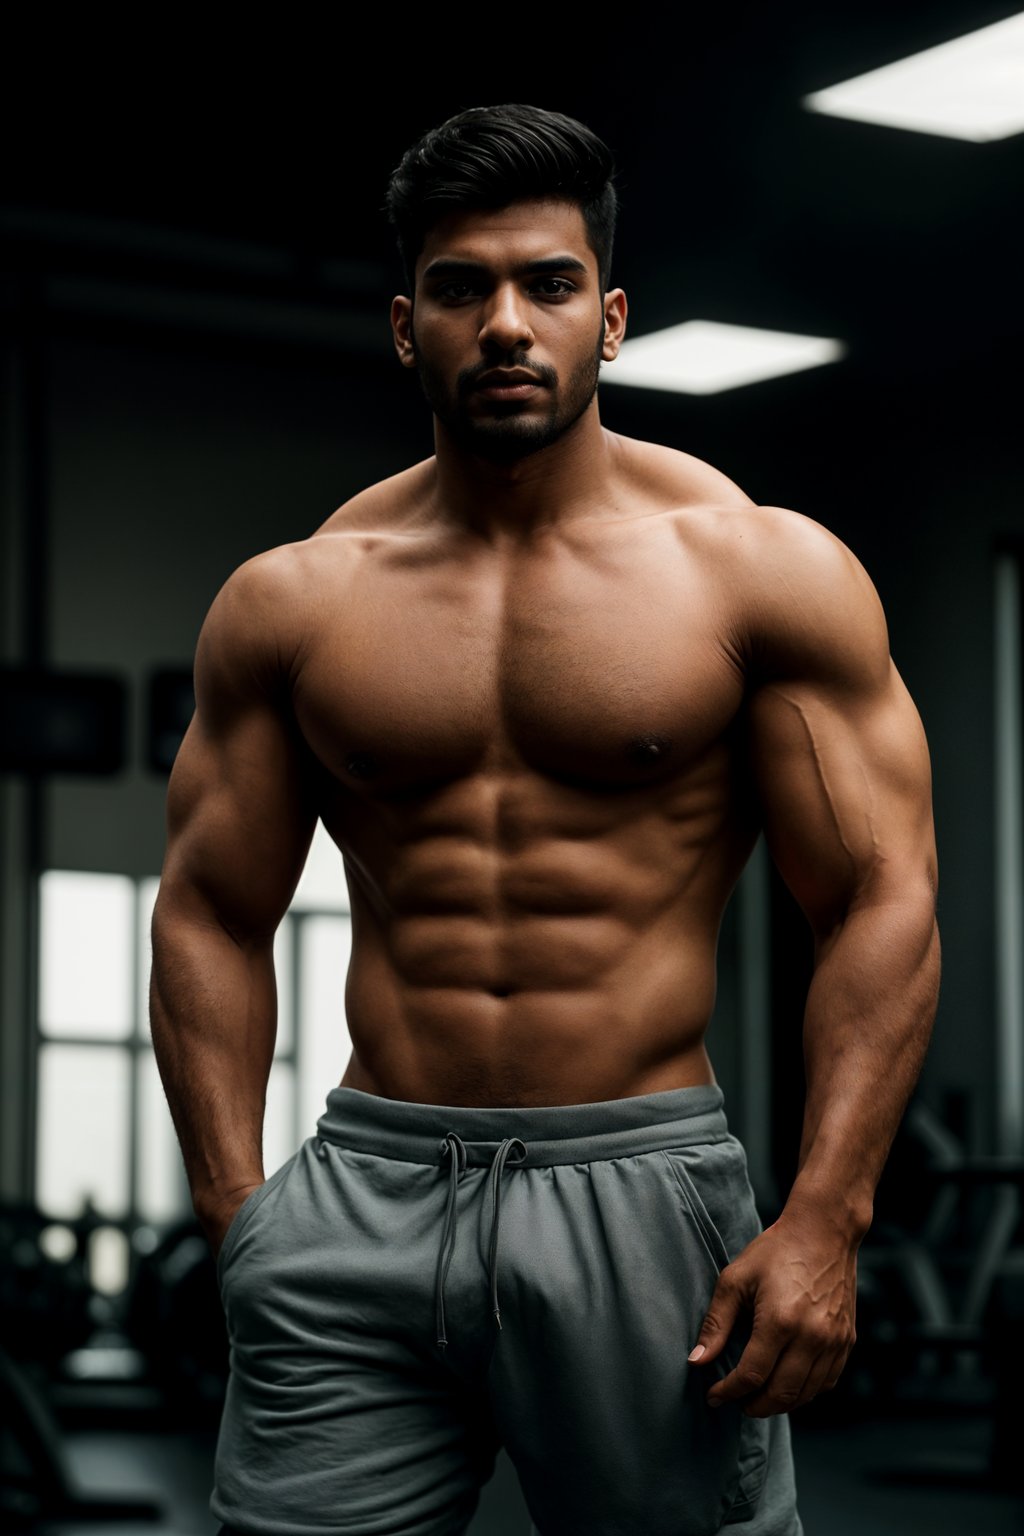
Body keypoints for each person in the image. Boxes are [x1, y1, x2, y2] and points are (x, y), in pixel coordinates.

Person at [149, 103, 940, 1536]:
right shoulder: (295, 603)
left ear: (611, 318)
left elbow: (880, 897)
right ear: (407, 327)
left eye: (548, 285)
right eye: (461, 289)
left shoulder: (760, 575)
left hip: (639, 1186)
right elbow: (210, 907)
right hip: (364, 1186)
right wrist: (239, 1216)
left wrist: (829, 1216)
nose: (504, 324)